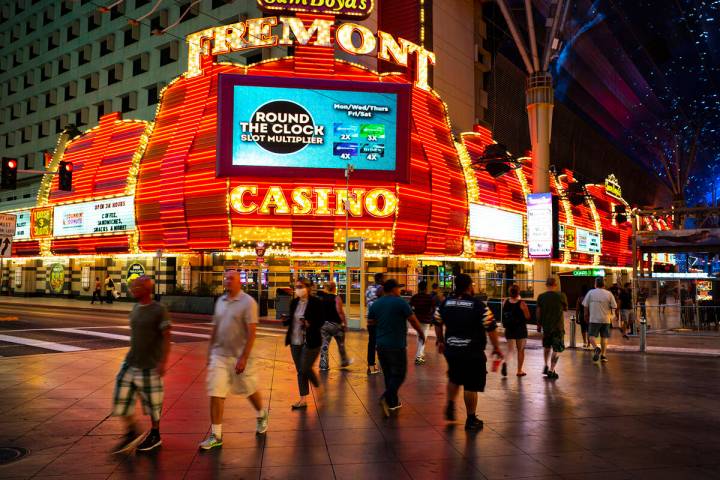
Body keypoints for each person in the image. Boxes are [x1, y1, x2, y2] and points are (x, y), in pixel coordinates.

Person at [199, 270, 268, 450]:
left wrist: (244, 357)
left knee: (249, 389)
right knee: (216, 392)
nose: (227, 281)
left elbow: (252, 332)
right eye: (226, 278)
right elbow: (215, 327)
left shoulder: (248, 303)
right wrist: (209, 351)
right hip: (219, 355)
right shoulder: (220, 302)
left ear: (240, 282)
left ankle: (261, 414)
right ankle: (216, 435)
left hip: (240, 356)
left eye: (232, 279)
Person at [110, 276, 171, 453]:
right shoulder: (135, 307)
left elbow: (167, 337)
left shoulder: (159, 310)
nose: (132, 289)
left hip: (150, 364)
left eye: (136, 286)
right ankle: (131, 430)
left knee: (153, 403)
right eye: (133, 286)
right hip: (130, 362)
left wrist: (163, 361)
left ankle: (155, 433)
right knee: (121, 397)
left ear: (146, 289)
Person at [435, 273, 502, 431]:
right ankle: (471, 419)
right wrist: (496, 347)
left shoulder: (445, 303)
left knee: (454, 377)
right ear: (468, 286)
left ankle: (451, 405)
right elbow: (491, 327)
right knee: (471, 385)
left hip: (452, 350)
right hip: (472, 352)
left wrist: (440, 340)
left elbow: (437, 321)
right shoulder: (478, 305)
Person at [368, 278, 426, 416]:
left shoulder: (376, 304)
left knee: (388, 375)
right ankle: (386, 397)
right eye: (398, 288)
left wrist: (377, 337)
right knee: (400, 374)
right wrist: (421, 333)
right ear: (393, 289)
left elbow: (370, 323)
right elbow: (412, 319)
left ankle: (392, 403)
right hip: (396, 345)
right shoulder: (400, 302)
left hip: (381, 345)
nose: (400, 290)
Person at [284, 278, 325, 409]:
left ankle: (318, 388)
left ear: (308, 287)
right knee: (300, 371)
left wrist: (309, 324)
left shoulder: (316, 302)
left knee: (304, 367)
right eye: (296, 286)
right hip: (295, 340)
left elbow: (321, 320)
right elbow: (292, 319)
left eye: (300, 286)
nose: (298, 289)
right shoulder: (294, 302)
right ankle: (303, 399)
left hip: (311, 340)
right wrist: (287, 320)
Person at [536, 277, 568, 380]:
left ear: (546, 285)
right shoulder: (561, 295)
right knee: (557, 349)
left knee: (546, 347)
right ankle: (551, 369)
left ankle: (545, 365)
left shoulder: (541, 297)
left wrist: (539, 324)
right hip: (558, 327)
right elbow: (566, 308)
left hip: (546, 327)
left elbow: (538, 312)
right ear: (555, 284)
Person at [318, 281, 352, 371]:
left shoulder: (321, 298)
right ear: (334, 288)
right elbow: (339, 311)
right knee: (341, 344)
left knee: (324, 345)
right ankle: (344, 361)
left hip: (324, 325)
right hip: (336, 325)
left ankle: (323, 365)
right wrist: (344, 323)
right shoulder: (336, 298)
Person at [583, 277, 617, 363]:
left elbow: (585, 306)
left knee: (591, 336)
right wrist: (612, 314)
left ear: (595, 284)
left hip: (594, 318)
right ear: (604, 284)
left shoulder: (590, 293)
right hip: (606, 319)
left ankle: (596, 348)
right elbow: (614, 306)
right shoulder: (609, 294)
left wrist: (586, 315)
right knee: (604, 337)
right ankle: (603, 355)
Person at [500, 284, 529, 377]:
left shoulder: (505, 301)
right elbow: (528, 316)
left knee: (510, 349)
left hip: (509, 329)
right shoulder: (522, 303)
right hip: (520, 329)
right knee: (520, 350)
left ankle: (505, 362)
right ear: (518, 292)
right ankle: (519, 371)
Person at [410, 280, 435, 365]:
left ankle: (420, 353)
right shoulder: (429, 297)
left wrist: (414, 313)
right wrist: (431, 317)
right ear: (426, 288)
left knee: (419, 336)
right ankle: (418, 357)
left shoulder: (415, 297)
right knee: (423, 337)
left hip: (417, 320)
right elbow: (433, 309)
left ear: (418, 288)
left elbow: (410, 307)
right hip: (426, 320)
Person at [365, 272, 384, 375]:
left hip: (370, 318)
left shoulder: (368, 288)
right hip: (379, 319)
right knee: (381, 342)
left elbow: (365, 302)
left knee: (371, 343)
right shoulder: (381, 289)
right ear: (380, 279)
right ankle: (383, 365)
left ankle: (371, 366)